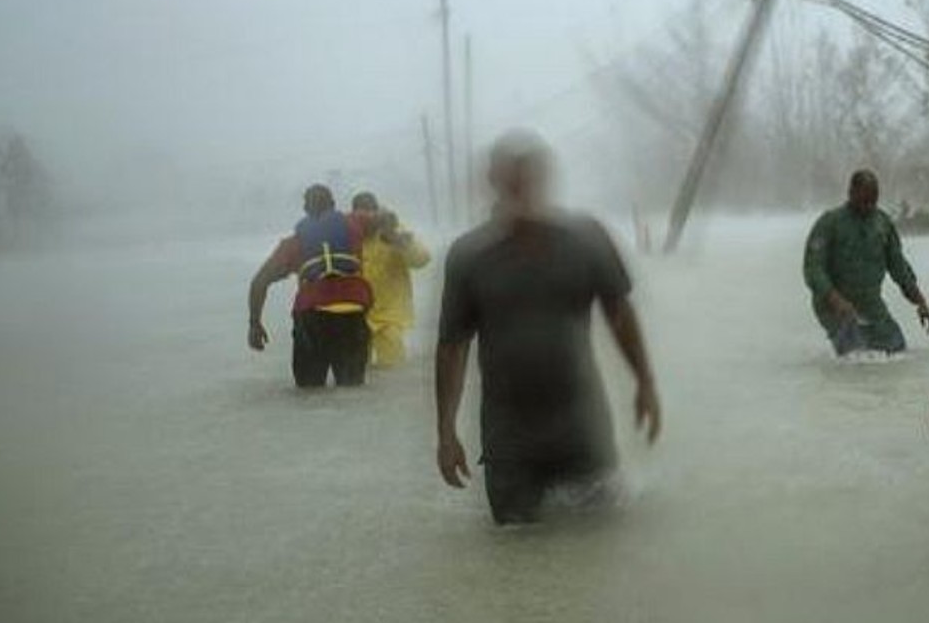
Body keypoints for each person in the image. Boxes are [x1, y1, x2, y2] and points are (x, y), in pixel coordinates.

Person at [435, 131, 661, 524]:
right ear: (494, 183)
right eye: (511, 178)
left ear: (545, 180)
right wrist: (446, 432)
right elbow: (452, 346)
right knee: (515, 553)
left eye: (531, 177)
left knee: (601, 547)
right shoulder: (470, 256)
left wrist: (645, 382)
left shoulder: (587, 239)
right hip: (509, 441)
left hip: (582, 430)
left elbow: (619, 314)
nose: (522, 187)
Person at [247, 184, 375, 388]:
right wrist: (395, 236)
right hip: (352, 316)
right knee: (353, 391)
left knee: (309, 392)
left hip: (312, 320)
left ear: (306, 210)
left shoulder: (294, 243)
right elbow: (384, 220)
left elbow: (259, 283)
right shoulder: (355, 224)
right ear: (334, 206)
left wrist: (255, 323)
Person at [803, 169, 929, 356]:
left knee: (897, 351)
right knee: (856, 358)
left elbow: (899, 267)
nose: (868, 206)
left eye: (873, 201)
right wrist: (836, 300)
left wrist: (921, 302)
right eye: (864, 200)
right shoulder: (830, 223)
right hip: (834, 306)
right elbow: (813, 269)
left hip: (871, 305)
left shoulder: (882, 224)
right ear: (851, 193)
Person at [350, 191, 430, 368]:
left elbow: (422, 259)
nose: (366, 222)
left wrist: (397, 240)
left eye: (369, 215)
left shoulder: (395, 231)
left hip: (390, 317)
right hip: (357, 316)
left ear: (377, 214)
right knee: (356, 373)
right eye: (360, 217)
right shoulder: (349, 236)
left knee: (393, 371)